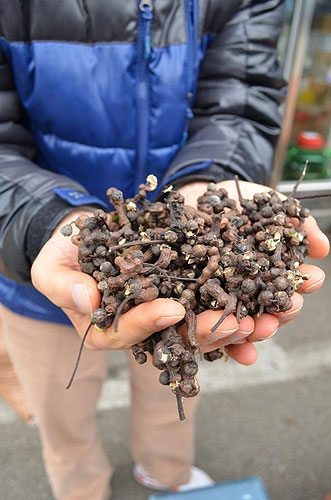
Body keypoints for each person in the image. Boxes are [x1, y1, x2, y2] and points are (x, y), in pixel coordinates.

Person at [0, 1, 329, 500]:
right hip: (32, 257)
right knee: (58, 407)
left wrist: (213, 177)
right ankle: (78, 488)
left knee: (174, 373)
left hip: (186, 208)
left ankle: (166, 472)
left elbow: (241, 99)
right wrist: (43, 219)